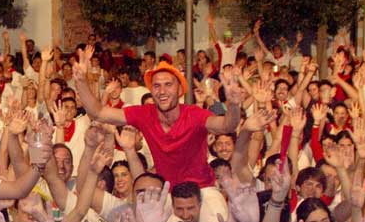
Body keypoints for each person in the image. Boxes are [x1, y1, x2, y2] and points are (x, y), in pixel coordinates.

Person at [72, 51, 242, 188]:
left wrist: (234, 104)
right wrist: (80, 81)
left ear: (179, 90)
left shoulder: (195, 114)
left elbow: (227, 125)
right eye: (156, 86)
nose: (162, 91)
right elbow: (98, 113)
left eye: (168, 85)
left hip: (202, 190)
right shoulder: (145, 113)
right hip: (166, 193)